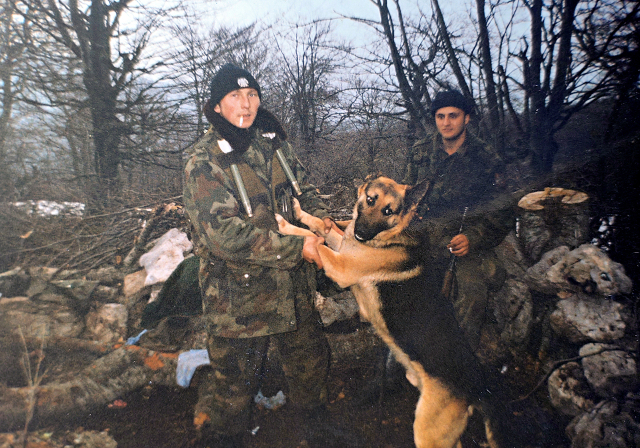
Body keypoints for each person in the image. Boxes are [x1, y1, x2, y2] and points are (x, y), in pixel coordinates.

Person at [183, 63, 336, 447]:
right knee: (234, 385)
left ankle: (318, 430)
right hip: (239, 297)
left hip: (292, 288)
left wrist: (322, 221)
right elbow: (223, 236)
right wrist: (297, 246)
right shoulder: (204, 161)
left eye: (251, 94)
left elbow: (302, 191)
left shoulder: (274, 144)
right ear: (217, 106)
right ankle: (226, 437)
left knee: (310, 366)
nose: (245, 103)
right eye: (234, 96)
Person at [403, 89, 515, 352]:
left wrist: (473, 238)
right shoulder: (420, 153)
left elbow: (502, 211)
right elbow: (406, 193)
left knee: (471, 291)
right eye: (440, 116)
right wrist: (409, 213)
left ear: (467, 118)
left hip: (462, 240)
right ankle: (409, 360)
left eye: (453, 115)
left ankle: (460, 364)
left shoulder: (485, 157)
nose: (446, 122)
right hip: (424, 237)